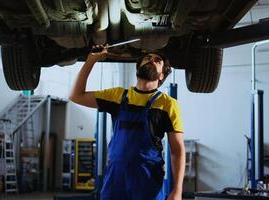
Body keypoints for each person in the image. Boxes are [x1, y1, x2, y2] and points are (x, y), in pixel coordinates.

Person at [69, 45, 186, 200]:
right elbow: (76, 95)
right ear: (138, 69)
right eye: (147, 58)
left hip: (148, 180)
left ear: (162, 76)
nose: (151, 60)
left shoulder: (168, 104)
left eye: (157, 60)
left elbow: (177, 151)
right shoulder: (117, 96)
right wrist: (91, 61)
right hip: (115, 179)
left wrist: (177, 191)